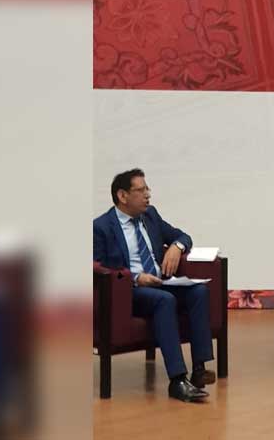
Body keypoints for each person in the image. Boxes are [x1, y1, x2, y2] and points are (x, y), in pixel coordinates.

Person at [92, 169, 214, 403]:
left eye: (147, 189)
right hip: (128, 292)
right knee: (164, 300)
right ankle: (177, 380)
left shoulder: (151, 216)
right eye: (141, 190)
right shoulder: (102, 227)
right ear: (122, 195)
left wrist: (176, 247)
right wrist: (136, 278)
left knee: (198, 291)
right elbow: (99, 268)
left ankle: (199, 369)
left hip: (161, 281)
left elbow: (183, 236)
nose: (148, 195)